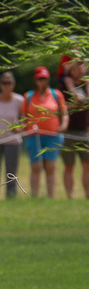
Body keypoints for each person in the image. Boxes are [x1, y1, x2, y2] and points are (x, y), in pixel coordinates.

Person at [22, 65, 69, 199]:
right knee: (36, 167)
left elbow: (64, 112)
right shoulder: (28, 96)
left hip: (52, 136)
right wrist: (23, 127)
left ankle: (50, 196)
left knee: (50, 167)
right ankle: (35, 196)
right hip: (34, 136)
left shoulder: (56, 94)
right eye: (39, 79)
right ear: (35, 80)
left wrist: (64, 124)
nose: (42, 81)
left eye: (44, 79)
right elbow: (24, 116)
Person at [0, 71, 24, 199]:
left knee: (11, 172)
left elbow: (24, 118)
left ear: (13, 84)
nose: (6, 85)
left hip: (13, 141)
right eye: (4, 83)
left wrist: (19, 128)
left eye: (9, 83)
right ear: (0, 84)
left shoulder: (19, 100)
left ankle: (11, 197)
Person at [60, 59, 89, 199]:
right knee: (69, 165)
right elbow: (60, 108)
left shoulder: (87, 85)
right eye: (77, 67)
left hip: (84, 131)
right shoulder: (63, 85)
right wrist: (75, 105)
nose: (80, 70)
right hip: (68, 132)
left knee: (87, 165)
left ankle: (87, 194)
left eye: (82, 67)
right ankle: (69, 196)